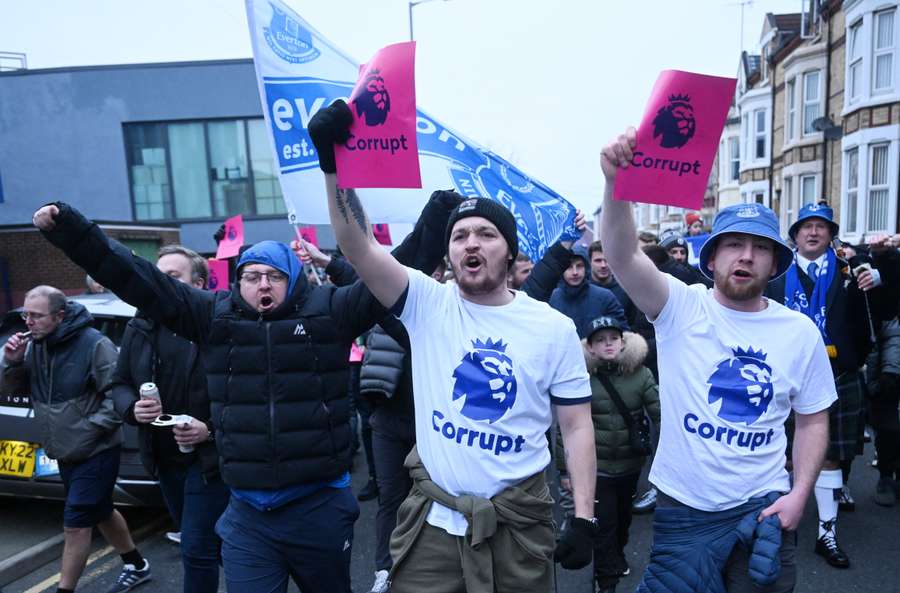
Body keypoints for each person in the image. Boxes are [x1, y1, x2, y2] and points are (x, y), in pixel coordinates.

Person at [31, 193, 452, 593]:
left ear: (293, 281)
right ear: (238, 282)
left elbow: (394, 272)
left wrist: (441, 214)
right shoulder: (213, 316)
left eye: (273, 276)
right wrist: (72, 229)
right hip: (248, 516)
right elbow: (135, 278)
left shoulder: (332, 311)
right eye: (251, 277)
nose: (261, 285)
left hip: (318, 508)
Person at [310, 100, 598, 593]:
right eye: (460, 235)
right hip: (434, 522)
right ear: (447, 252)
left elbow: (575, 425)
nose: (471, 243)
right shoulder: (426, 303)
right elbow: (358, 247)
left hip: (519, 523)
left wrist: (586, 517)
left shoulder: (550, 327)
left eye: (486, 233)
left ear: (509, 250)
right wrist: (335, 168)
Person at [600, 127, 834, 593]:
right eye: (733, 244)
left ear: (774, 264)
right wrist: (615, 184)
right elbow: (623, 256)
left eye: (760, 247)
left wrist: (799, 496)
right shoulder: (681, 306)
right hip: (683, 507)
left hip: (763, 508)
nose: (746, 256)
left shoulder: (799, 332)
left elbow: (813, 420)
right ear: (712, 258)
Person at [1, 286, 150, 593]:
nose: (28, 321)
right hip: (65, 450)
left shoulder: (95, 345)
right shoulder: (36, 346)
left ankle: (64, 590)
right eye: (26, 314)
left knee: (76, 524)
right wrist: (12, 361)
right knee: (101, 510)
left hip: (97, 450)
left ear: (60, 315)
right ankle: (136, 564)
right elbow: (13, 391)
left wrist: (86, 430)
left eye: (37, 315)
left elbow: (118, 397)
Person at [767, 203, 883, 568]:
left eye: (821, 227)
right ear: (795, 235)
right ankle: (778, 528)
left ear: (831, 234)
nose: (813, 232)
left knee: (830, 453)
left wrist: (877, 283)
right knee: (782, 456)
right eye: (806, 226)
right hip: (787, 375)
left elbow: (873, 318)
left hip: (838, 374)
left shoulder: (853, 272)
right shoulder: (775, 277)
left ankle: (826, 533)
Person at [109, 245, 229, 593]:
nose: (160, 283)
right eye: (157, 275)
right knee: (213, 543)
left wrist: (209, 430)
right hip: (161, 457)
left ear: (201, 284)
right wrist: (131, 407)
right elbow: (119, 383)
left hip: (209, 460)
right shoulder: (140, 325)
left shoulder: (218, 324)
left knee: (195, 547)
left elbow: (247, 393)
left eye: (172, 277)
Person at [557, 315, 659, 593]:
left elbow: (660, 411)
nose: (608, 344)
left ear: (623, 342)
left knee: (624, 521)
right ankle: (607, 583)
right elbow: (565, 428)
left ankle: (617, 556)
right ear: (590, 348)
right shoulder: (580, 377)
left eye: (613, 338)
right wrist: (565, 471)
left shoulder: (641, 374)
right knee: (604, 527)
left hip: (630, 466)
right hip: (597, 468)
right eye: (600, 340)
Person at [550, 243, 627, 338]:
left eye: (579, 266)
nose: (575, 272)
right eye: (569, 267)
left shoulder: (605, 297)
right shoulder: (552, 299)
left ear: (586, 268)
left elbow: (622, 334)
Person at [588, 241, 638, 327]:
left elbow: (632, 323)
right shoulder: (582, 289)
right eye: (598, 260)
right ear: (590, 262)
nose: (603, 265)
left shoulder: (626, 289)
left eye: (607, 260)